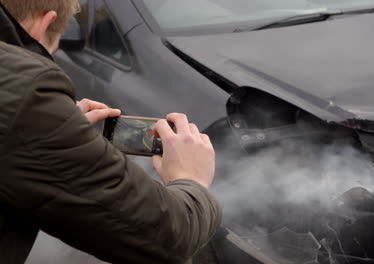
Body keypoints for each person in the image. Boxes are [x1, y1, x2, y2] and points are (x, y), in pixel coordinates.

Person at [0, 0, 222, 263]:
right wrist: (191, 179)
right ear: (44, 22)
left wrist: (48, 125)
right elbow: (167, 238)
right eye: (50, 48)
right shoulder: (26, 92)